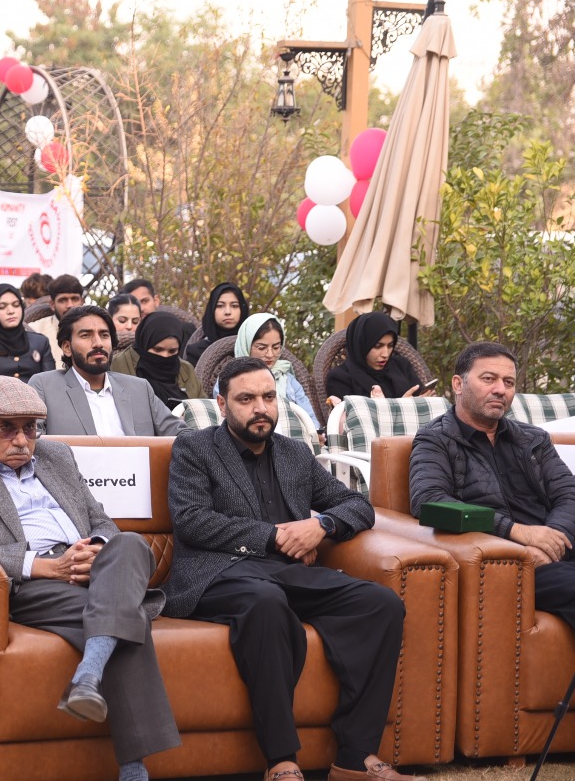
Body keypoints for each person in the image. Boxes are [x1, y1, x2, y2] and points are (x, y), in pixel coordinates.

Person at [165, 357, 415, 781]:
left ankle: (355, 758)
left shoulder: (295, 453)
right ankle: (281, 760)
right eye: (246, 399)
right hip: (220, 573)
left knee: (381, 604)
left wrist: (322, 526)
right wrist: (275, 537)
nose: (260, 408)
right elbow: (192, 520)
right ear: (223, 405)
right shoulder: (194, 448)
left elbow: (357, 505)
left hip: (288, 575)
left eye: (268, 397)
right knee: (266, 601)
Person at [0, 376, 180, 781]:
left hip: (95, 568)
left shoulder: (57, 455)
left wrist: (97, 551)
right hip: (34, 581)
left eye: (31, 429)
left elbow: (102, 522)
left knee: (129, 543)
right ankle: (133, 770)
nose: (22, 441)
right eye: (8, 429)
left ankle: (87, 676)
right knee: (122, 616)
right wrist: (47, 566)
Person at [409, 341, 575, 631]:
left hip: (554, 552)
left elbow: (568, 494)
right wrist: (515, 532)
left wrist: (553, 542)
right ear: (458, 384)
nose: (501, 389)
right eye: (489, 379)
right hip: (503, 561)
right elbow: (429, 501)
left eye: (508, 382)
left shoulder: (533, 439)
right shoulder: (436, 439)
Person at [28, 305, 186, 437]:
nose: (98, 343)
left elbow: (181, 434)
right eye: (86, 335)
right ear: (67, 347)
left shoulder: (139, 388)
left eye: (104, 335)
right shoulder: (45, 386)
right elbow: (33, 442)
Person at [227, 313, 320, 430]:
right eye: (262, 348)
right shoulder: (230, 380)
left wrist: (315, 433)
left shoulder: (287, 379)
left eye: (276, 347)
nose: (270, 354)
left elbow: (310, 417)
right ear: (246, 345)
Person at [325, 312, 429, 405]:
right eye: (378, 346)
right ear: (362, 345)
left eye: (390, 345)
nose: (385, 354)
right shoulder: (340, 378)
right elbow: (347, 417)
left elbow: (419, 396)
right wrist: (402, 407)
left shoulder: (401, 366)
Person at [0, 283, 54, 382]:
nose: (11, 311)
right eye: (2, 307)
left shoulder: (40, 342)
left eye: (16, 305)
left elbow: (49, 383)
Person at [111, 312, 203, 405]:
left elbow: (202, 406)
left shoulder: (186, 370)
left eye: (172, 351)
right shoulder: (116, 366)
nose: (165, 356)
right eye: (158, 349)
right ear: (144, 343)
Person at [184, 282, 248, 366]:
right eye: (220, 306)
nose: (228, 312)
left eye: (234, 306)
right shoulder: (196, 352)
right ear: (212, 310)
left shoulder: (254, 347)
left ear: (242, 309)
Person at [30, 274, 84, 364]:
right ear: (52, 304)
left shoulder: (96, 328)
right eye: (63, 300)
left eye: (75, 299)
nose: (70, 305)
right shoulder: (35, 330)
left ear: (82, 301)